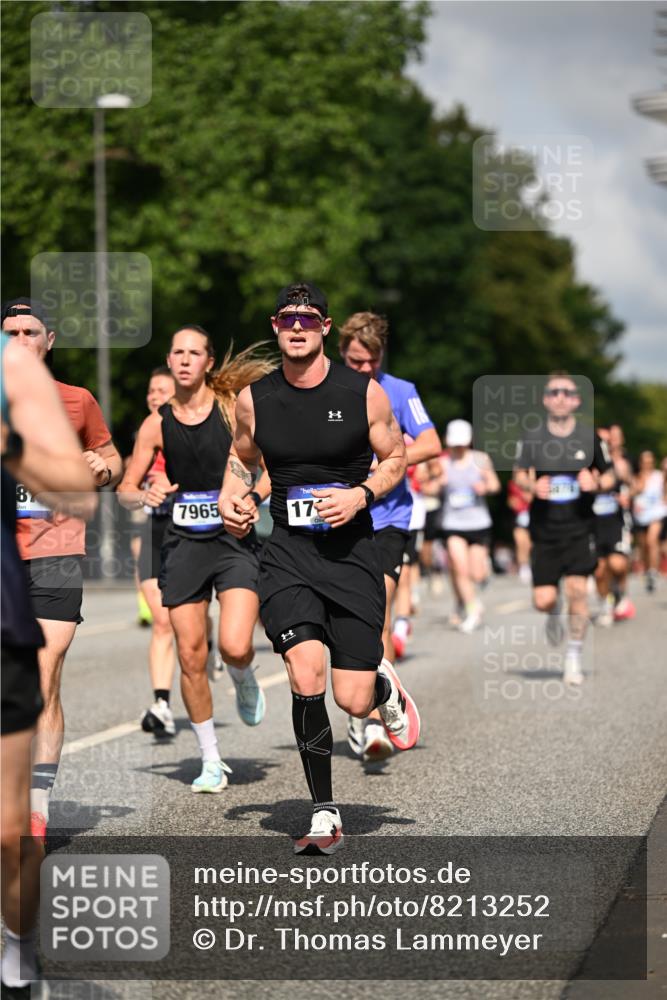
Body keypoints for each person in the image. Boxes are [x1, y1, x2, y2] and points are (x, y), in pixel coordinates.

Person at [220, 282, 420, 855]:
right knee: (304, 674)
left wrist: (360, 495)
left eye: (309, 318)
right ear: (276, 326)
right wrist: (235, 499)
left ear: (326, 327)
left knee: (353, 700)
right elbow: (241, 457)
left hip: (353, 554)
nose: (298, 326)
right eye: (288, 318)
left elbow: (396, 457)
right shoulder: (255, 399)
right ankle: (324, 810)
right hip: (288, 555)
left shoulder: (364, 394)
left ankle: (380, 683)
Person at [118, 328, 273, 793]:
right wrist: (144, 491)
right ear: (169, 360)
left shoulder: (233, 409)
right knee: (189, 654)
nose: (185, 360)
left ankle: (244, 677)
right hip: (183, 544)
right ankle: (210, 759)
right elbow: (125, 490)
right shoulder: (155, 425)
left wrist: (251, 497)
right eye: (178, 353)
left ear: (208, 362)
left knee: (234, 644)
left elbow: (270, 467)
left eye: (195, 353)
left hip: (232, 540)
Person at [1, 299, 123, 843]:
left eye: (30, 331)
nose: (21, 340)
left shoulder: (76, 402)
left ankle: (37, 807)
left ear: (48, 341)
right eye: (11, 332)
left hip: (55, 552)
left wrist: (103, 468)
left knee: (44, 676)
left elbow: (110, 457)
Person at [1, 332, 96, 997]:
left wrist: (11, 449)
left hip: (15, 600)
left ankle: (16, 952)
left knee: (9, 835)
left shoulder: (14, 373)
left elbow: (78, 489)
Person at [338, 312, 439, 762]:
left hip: (388, 518)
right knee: (342, 624)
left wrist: (389, 461)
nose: (365, 370)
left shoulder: (400, 391)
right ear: (342, 352)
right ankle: (358, 706)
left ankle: (377, 721)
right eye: (357, 361)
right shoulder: (325, 389)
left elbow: (431, 443)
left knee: (376, 611)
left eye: (372, 362)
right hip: (337, 518)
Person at [514, 371, 615, 685]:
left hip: (580, 528)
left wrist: (596, 482)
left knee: (577, 591)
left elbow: (611, 475)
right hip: (545, 530)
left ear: (576, 400)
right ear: (546, 399)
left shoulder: (590, 437)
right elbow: (518, 474)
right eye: (553, 392)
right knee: (543, 600)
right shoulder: (532, 436)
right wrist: (533, 484)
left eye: (566, 393)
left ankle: (573, 655)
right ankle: (554, 607)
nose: (559, 397)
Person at [438, 420, 500, 633]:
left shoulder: (480, 459)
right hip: (452, 523)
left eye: (461, 444)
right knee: (460, 567)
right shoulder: (443, 463)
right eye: (454, 444)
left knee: (476, 574)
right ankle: (473, 610)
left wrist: (485, 486)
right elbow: (427, 486)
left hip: (478, 523)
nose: (458, 448)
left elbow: (495, 484)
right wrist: (437, 482)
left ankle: (484, 570)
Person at [592, 425, 634, 625]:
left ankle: (621, 593)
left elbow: (633, 485)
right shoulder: (584, 465)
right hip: (593, 524)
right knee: (599, 570)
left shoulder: (620, 464)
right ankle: (605, 604)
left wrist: (628, 496)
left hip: (616, 521)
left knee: (617, 564)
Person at [631, 450, 666, 593]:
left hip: (657, 513)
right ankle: (647, 569)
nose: (647, 465)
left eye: (650, 462)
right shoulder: (636, 477)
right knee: (644, 546)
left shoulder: (658, 476)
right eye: (645, 462)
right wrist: (637, 488)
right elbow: (631, 493)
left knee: (652, 541)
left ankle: (652, 571)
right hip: (640, 516)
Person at [507, 476, 532, 584]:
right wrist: (512, 502)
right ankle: (524, 567)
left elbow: (530, 498)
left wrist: (524, 495)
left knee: (529, 544)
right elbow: (510, 499)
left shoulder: (532, 480)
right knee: (520, 543)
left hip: (533, 516)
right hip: (519, 518)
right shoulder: (512, 483)